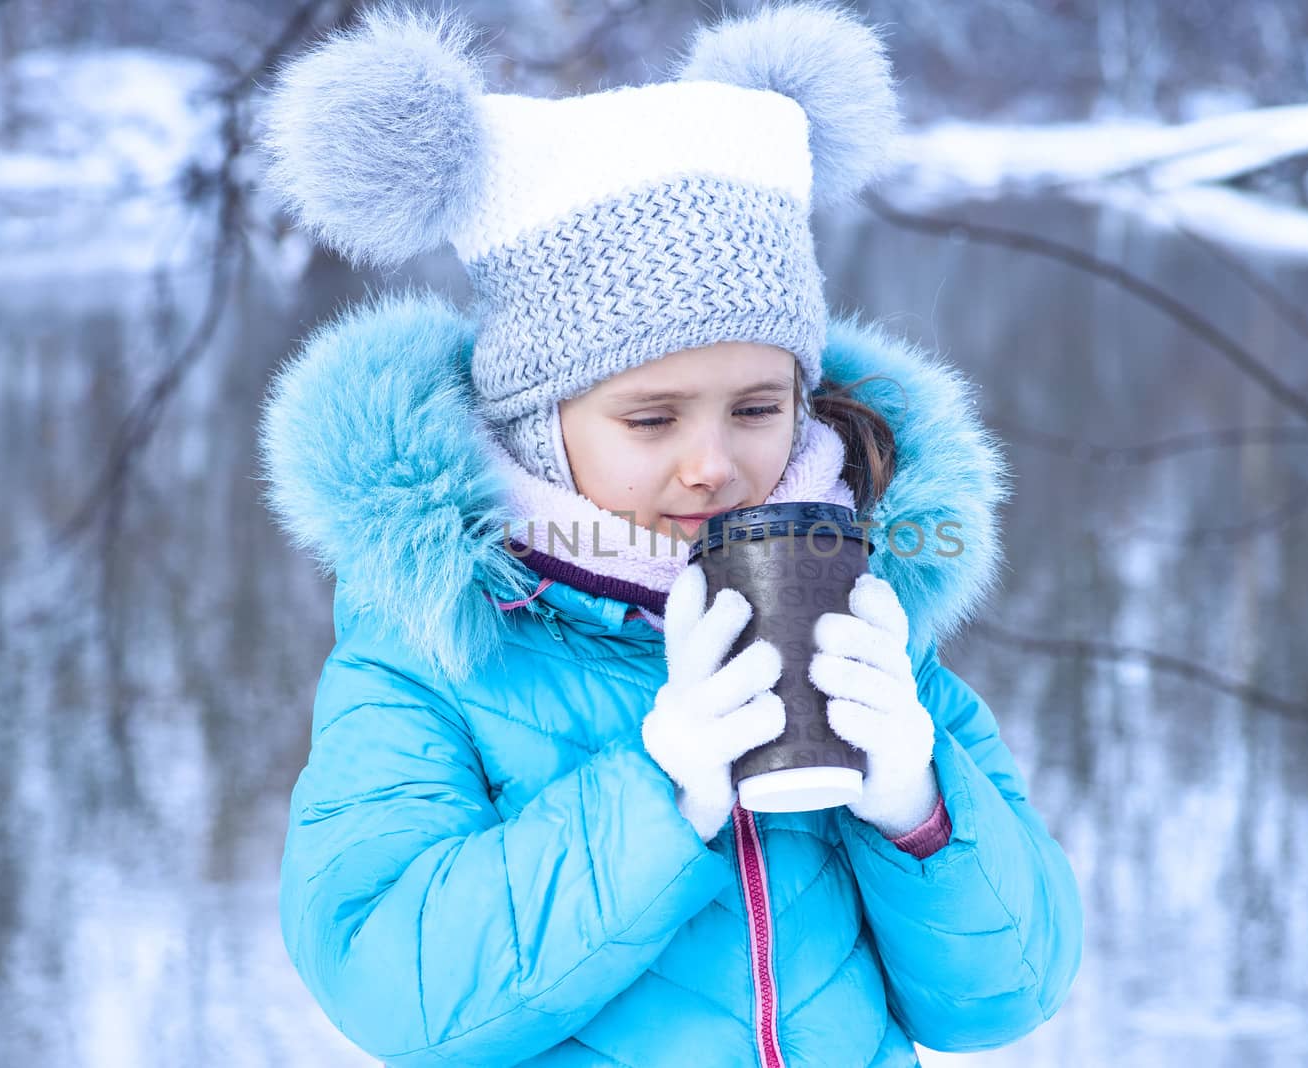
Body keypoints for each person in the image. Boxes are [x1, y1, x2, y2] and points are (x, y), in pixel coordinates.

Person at [257, 4, 1082, 1066]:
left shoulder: (860, 602)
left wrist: (919, 810)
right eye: (651, 419)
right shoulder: (435, 650)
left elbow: (1004, 997)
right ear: (536, 426)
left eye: (755, 408)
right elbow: (394, 991)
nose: (711, 463)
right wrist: (661, 792)